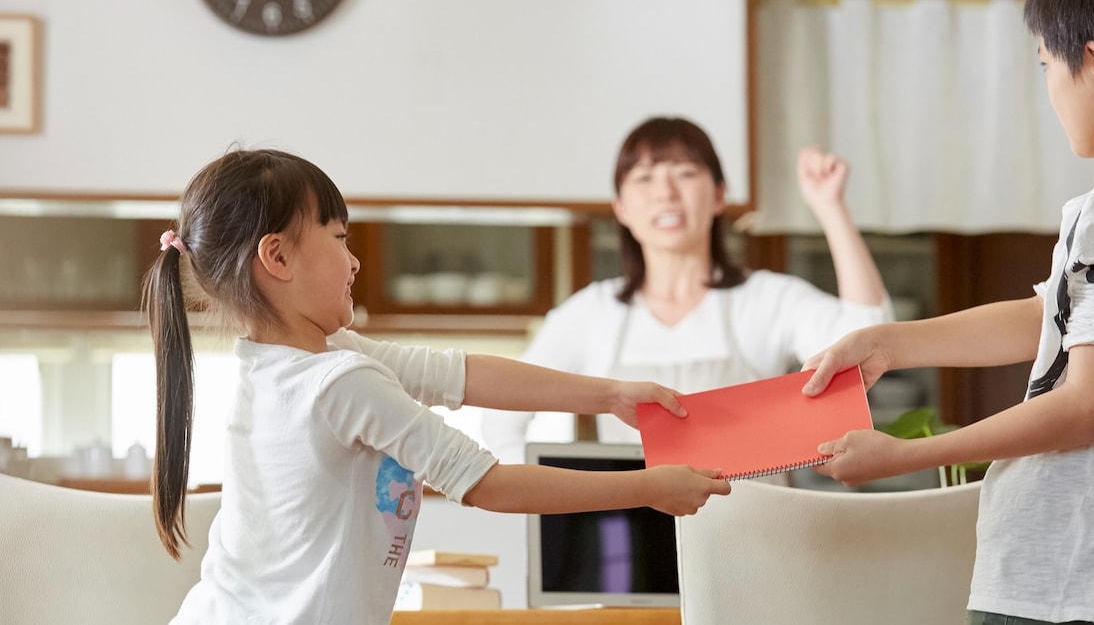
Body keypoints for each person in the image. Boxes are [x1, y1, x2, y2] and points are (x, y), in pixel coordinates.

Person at [802, 0, 1094, 623]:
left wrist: (908, 454)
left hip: (1071, 578)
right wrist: (889, 343)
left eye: (1044, 65)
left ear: (1093, 65)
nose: (1048, 89)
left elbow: (1090, 406)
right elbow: (1062, 315)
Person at [144, 148, 731, 624]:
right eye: (339, 238)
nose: (353, 262)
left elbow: (452, 374)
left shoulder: (292, 362)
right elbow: (485, 483)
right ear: (277, 257)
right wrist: (648, 488)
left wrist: (610, 396)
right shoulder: (337, 383)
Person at [481, 116, 893, 464]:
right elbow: (500, 418)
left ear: (718, 195)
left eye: (685, 173)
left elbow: (870, 336)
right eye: (644, 178)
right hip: (632, 546)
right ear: (621, 208)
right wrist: (559, 507)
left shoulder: (766, 300)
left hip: (758, 542)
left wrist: (830, 207)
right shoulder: (592, 314)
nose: (665, 193)